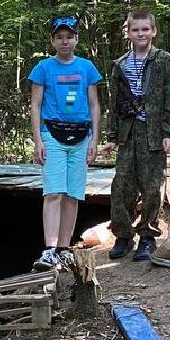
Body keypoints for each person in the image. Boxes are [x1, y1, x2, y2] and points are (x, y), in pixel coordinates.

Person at [100, 9, 170, 261]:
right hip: (128, 132)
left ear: (153, 31)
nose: (141, 34)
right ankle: (123, 236)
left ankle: (147, 236)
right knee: (121, 184)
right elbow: (116, 103)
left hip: (153, 133)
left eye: (145, 29)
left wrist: (169, 132)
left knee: (152, 185)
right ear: (128, 33)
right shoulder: (120, 65)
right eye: (136, 30)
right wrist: (111, 136)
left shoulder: (163, 60)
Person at [27, 14, 102, 270]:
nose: (65, 42)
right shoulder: (43, 69)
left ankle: (64, 248)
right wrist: (38, 140)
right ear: (53, 41)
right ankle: (48, 249)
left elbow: (94, 104)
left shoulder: (87, 68)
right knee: (54, 193)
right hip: (53, 135)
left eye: (69, 37)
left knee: (72, 195)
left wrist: (95, 140)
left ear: (76, 39)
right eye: (59, 37)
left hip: (81, 136)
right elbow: (35, 106)